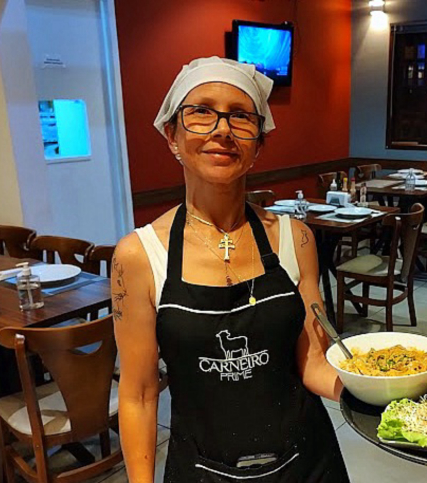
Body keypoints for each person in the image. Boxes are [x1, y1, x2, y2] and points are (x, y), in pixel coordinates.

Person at [112, 56, 349, 482]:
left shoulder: (295, 239)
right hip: (202, 467)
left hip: (308, 463)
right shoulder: (138, 255)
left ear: (258, 144)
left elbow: (314, 361)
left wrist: (384, 392)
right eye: (201, 111)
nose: (222, 129)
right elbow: (140, 394)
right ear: (172, 135)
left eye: (240, 117)